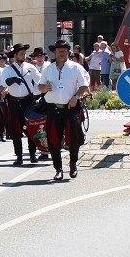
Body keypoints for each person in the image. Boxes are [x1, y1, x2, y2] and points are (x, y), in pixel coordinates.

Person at [38, 40, 90, 180]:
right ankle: (58, 169)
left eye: (64, 50)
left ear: (68, 52)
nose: (61, 52)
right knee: (53, 139)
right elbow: (40, 86)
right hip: (53, 108)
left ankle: (73, 165)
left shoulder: (76, 67)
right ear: (54, 52)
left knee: (74, 138)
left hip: (70, 108)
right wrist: (44, 88)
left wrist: (76, 96)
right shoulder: (48, 69)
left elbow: (85, 85)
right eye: (58, 50)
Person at [2, 43, 41, 165]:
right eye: (21, 54)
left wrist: (36, 93)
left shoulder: (30, 67)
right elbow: (3, 82)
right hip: (14, 101)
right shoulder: (7, 69)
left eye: (24, 53)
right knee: (15, 130)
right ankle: (19, 156)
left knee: (31, 128)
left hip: (28, 102)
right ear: (15, 56)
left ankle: (32, 154)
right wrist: (13, 80)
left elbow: (40, 81)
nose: (23, 55)